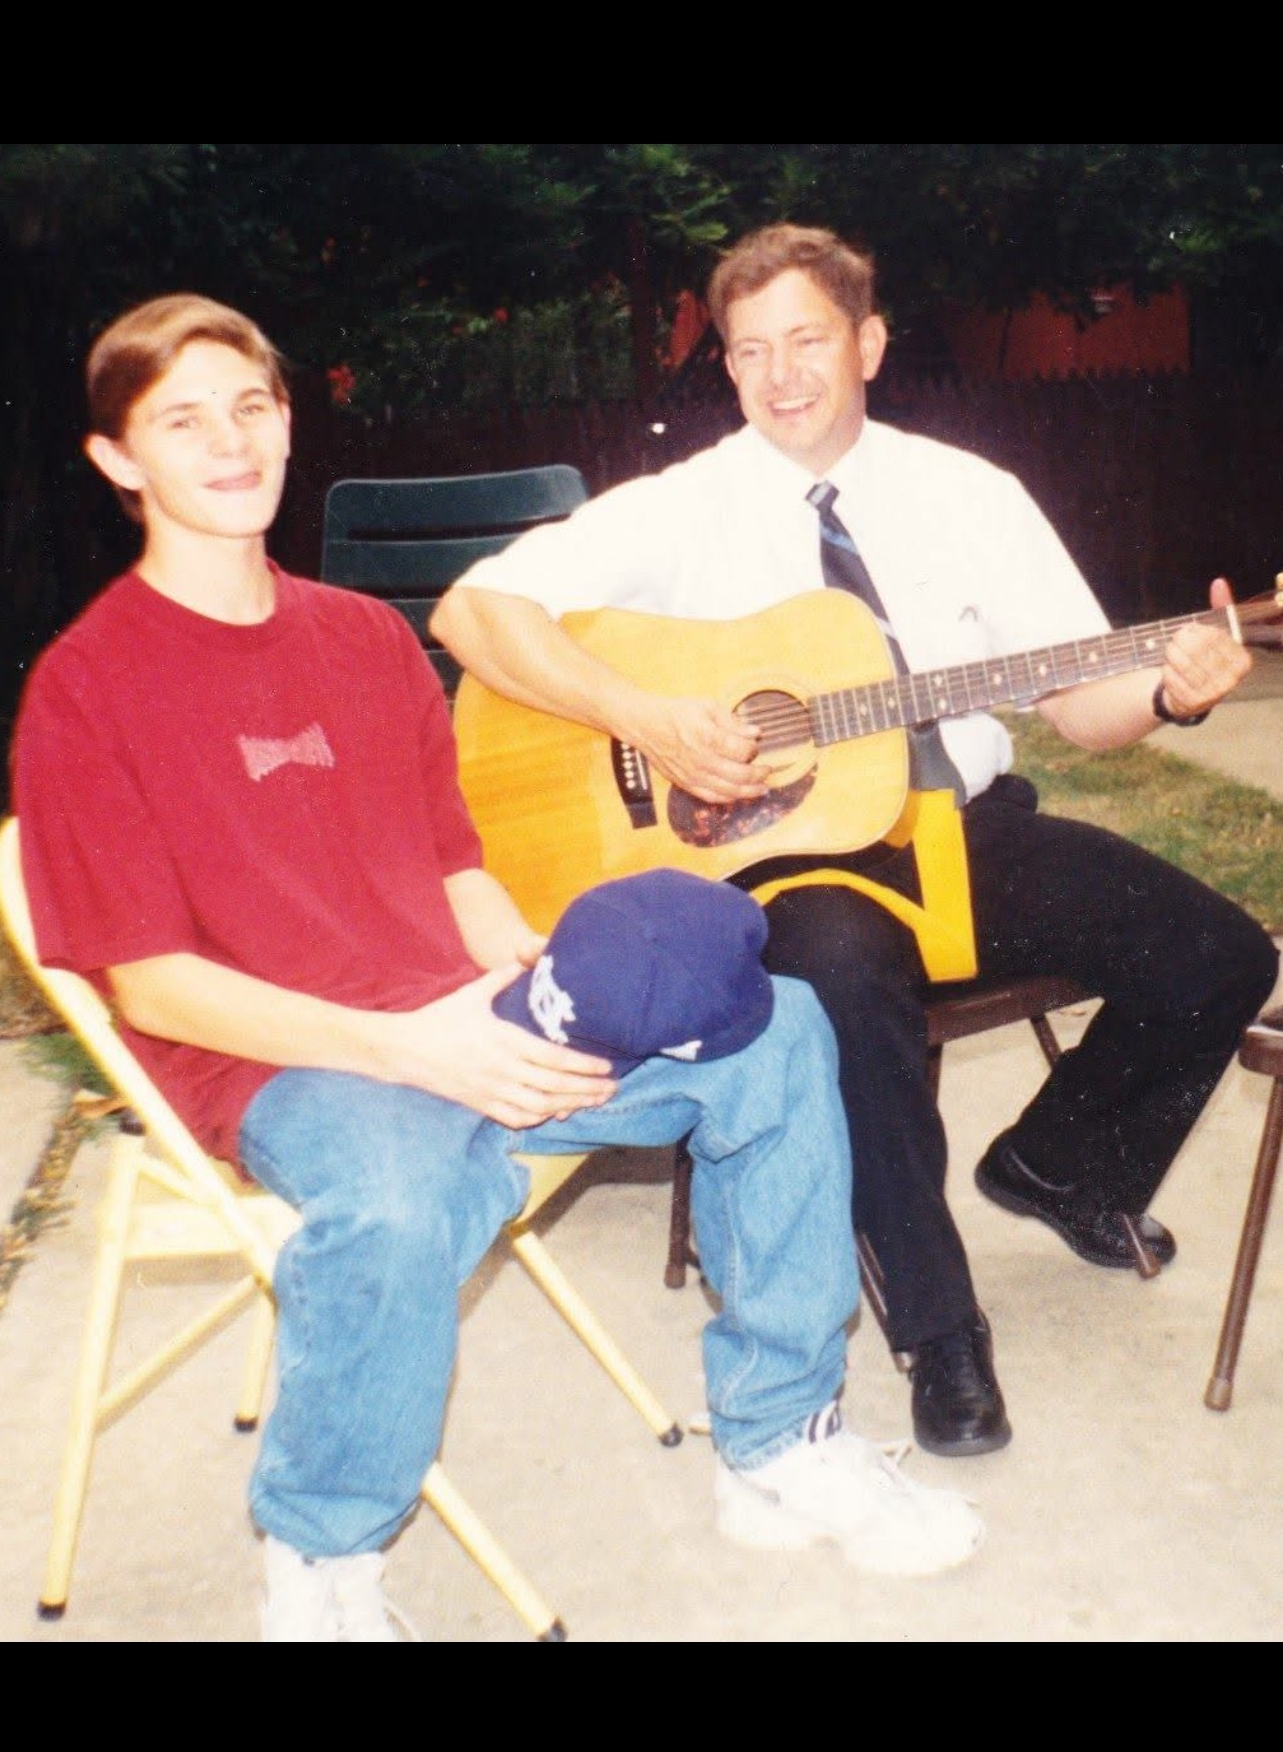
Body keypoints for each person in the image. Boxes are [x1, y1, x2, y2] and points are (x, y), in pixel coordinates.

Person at [10, 292, 985, 1644]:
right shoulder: (86, 686)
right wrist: (415, 1052)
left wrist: (530, 977)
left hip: (465, 1015)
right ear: (121, 462)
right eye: (182, 421)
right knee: (405, 1194)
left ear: (287, 421)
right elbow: (154, 987)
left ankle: (778, 1443)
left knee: (776, 1032)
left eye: (251, 406)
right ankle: (326, 1556)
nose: (230, 443)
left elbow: (455, 870)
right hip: (281, 1064)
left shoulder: (361, 639)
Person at [431, 222, 1280, 1462]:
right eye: (750, 349)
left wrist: (1171, 689)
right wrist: (648, 716)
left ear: (870, 344)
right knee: (841, 970)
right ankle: (939, 1333)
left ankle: (1063, 1169)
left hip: (959, 828)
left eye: (808, 341)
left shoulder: (972, 497)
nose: (780, 375)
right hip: (780, 862)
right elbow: (473, 610)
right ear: (725, 366)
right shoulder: (680, 506)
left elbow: (1083, 711)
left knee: (1217, 952)